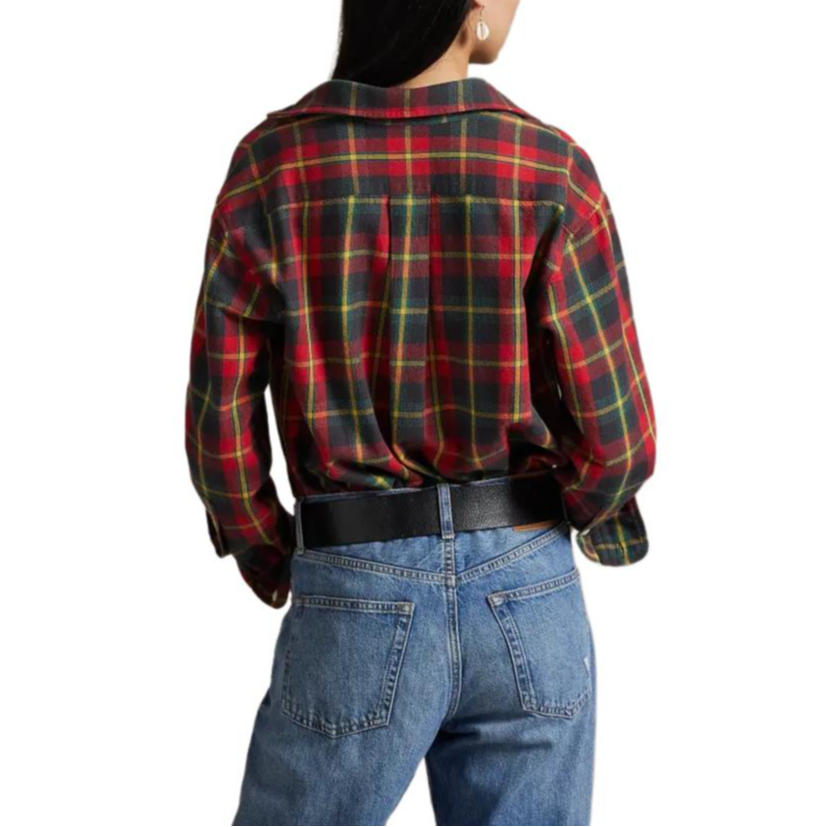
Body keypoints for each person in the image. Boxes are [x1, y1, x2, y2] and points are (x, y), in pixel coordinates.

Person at [184, 0, 657, 824]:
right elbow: (619, 439)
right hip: (526, 589)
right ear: (468, 8)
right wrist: (542, 523)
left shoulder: (273, 167)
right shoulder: (550, 169)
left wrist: (276, 553)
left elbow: (218, 426)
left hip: (352, 572)